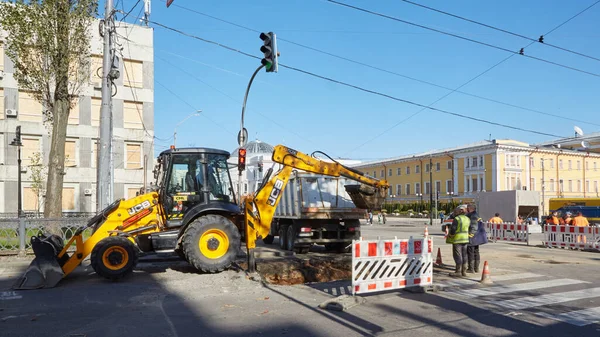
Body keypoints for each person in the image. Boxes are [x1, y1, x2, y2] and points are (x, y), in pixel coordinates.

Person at [447, 204, 470, 277]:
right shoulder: (467, 219)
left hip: (457, 239)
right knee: (464, 255)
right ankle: (464, 271)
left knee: (458, 255)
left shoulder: (457, 219)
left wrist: (451, 235)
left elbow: (453, 229)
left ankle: (458, 271)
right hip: (465, 239)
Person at [466, 203, 482, 273]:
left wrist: (470, 235)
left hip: (472, 236)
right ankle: (476, 268)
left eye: (467, 208)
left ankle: (471, 268)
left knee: (471, 252)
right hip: (477, 236)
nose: (466, 209)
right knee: (476, 252)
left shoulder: (473, 216)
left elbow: (474, 226)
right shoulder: (476, 215)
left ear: (470, 209)